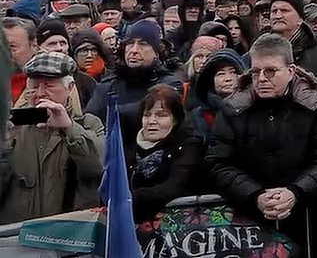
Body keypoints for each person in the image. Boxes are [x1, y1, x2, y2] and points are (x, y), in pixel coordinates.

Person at [207, 33, 317, 243]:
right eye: (255, 72)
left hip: (302, 219)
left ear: (290, 71)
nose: (261, 79)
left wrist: (295, 192)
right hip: (247, 222)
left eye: (270, 71)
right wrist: (255, 195)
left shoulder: (315, 107)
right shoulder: (232, 109)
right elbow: (218, 163)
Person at [0, 52, 104, 223]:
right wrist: (5, 145)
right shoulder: (13, 128)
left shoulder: (88, 124)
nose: (40, 93)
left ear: (70, 88)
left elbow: (97, 170)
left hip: (67, 237)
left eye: (49, 85)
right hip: (16, 238)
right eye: (34, 86)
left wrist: (69, 128)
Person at [85, 20, 183, 140]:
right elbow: (89, 122)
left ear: (156, 52)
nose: (134, 50)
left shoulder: (169, 84)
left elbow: (146, 111)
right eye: (130, 44)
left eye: (143, 44)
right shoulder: (108, 85)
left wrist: (113, 113)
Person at [126, 85, 201, 221]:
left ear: (176, 119)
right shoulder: (131, 148)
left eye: (161, 115)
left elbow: (175, 187)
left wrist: (132, 198)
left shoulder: (189, 144)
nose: (152, 121)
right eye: (147, 115)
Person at [268, 0, 317, 76]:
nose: (278, 16)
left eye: (284, 10)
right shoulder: (260, 52)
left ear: (300, 19)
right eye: (274, 11)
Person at [185, 49, 245, 146]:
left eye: (233, 72)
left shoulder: (253, 110)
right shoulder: (198, 116)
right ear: (211, 81)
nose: (228, 79)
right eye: (221, 74)